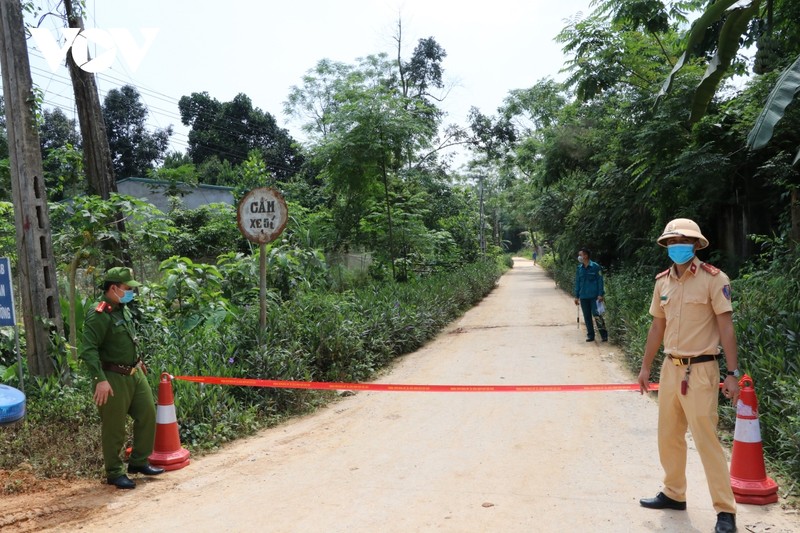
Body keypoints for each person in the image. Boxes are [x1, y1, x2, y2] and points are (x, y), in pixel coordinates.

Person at [637, 218, 740, 533]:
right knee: (668, 435)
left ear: (696, 244)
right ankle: (673, 493)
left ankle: (725, 511)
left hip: (702, 369)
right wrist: (645, 367)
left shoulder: (713, 279)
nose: (675, 246)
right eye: (670, 241)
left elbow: (725, 326)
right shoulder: (663, 282)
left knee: (706, 439)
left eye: (681, 240)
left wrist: (733, 373)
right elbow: (657, 327)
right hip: (671, 368)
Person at [79, 267, 165, 489]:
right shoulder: (98, 314)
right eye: (127, 289)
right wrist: (100, 379)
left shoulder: (121, 308)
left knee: (147, 413)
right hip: (112, 377)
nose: (131, 293)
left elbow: (127, 339)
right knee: (114, 427)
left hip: (134, 373)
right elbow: (88, 349)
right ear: (114, 288)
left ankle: (138, 461)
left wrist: (138, 361)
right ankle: (115, 472)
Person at [573, 248, 608, 342]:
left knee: (597, 315)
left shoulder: (595, 267)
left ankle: (604, 335)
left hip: (594, 297)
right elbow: (577, 282)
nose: (579, 257)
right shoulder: (579, 268)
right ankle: (590, 335)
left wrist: (600, 294)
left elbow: (600, 281)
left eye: (580, 255)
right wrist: (576, 296)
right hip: (583, 296)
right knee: (587, 316)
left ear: (586, 255)